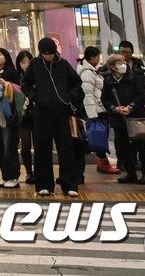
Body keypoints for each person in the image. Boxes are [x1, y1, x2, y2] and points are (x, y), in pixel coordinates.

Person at [22, 36, 84, 197]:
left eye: (51, 53)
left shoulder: (62, 64)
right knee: (42, 149)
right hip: (42, 113)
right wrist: (35, 97)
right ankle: (43, 184)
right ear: (40, 53)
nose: (49, 56)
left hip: (62, 112)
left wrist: (69, 99)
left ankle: (69, 184)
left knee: (66, 149)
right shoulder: (35, 64)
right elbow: (25, 84)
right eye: (45, 54)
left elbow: (76, 83)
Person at [104, 52, 145, 184]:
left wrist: (130, 107)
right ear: (112, 67)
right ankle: (130, 173)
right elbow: (105, 99)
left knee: (141, 145)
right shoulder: (108, 81)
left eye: (124, 62)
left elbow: (140, 95)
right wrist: (114, 108)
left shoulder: (134, 77)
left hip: (136, 116)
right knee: (124, 147)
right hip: (119, 119)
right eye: (120, 62)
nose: (124, 64)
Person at [0, 47, 24, 188]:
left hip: (8, 114)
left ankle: (13, 176)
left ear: (6, 57)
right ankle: (4, 175)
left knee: (9, 146)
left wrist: (4, 84)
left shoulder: (12, 73)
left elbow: (19, 91)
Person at [77, 46, 115, 175]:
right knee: (99, 136)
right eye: (98, 57)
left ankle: (103, 163)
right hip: (96, 110)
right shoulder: (87, 73)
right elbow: (87, 94)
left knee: (101, 135)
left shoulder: (93, 71)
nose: (99, 59)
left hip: (100, 108)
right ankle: (103, 163)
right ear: (92, 57)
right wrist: (92, 114)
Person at [15, 49, 37, 184]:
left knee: (39, 143)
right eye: (23, 62)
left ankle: (39, 170)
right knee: (25, 145)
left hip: (36, 113)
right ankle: (29, 172)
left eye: (29, 61)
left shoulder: (37, 75)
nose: (26, 64)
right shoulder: (17, 77)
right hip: (22, 116)